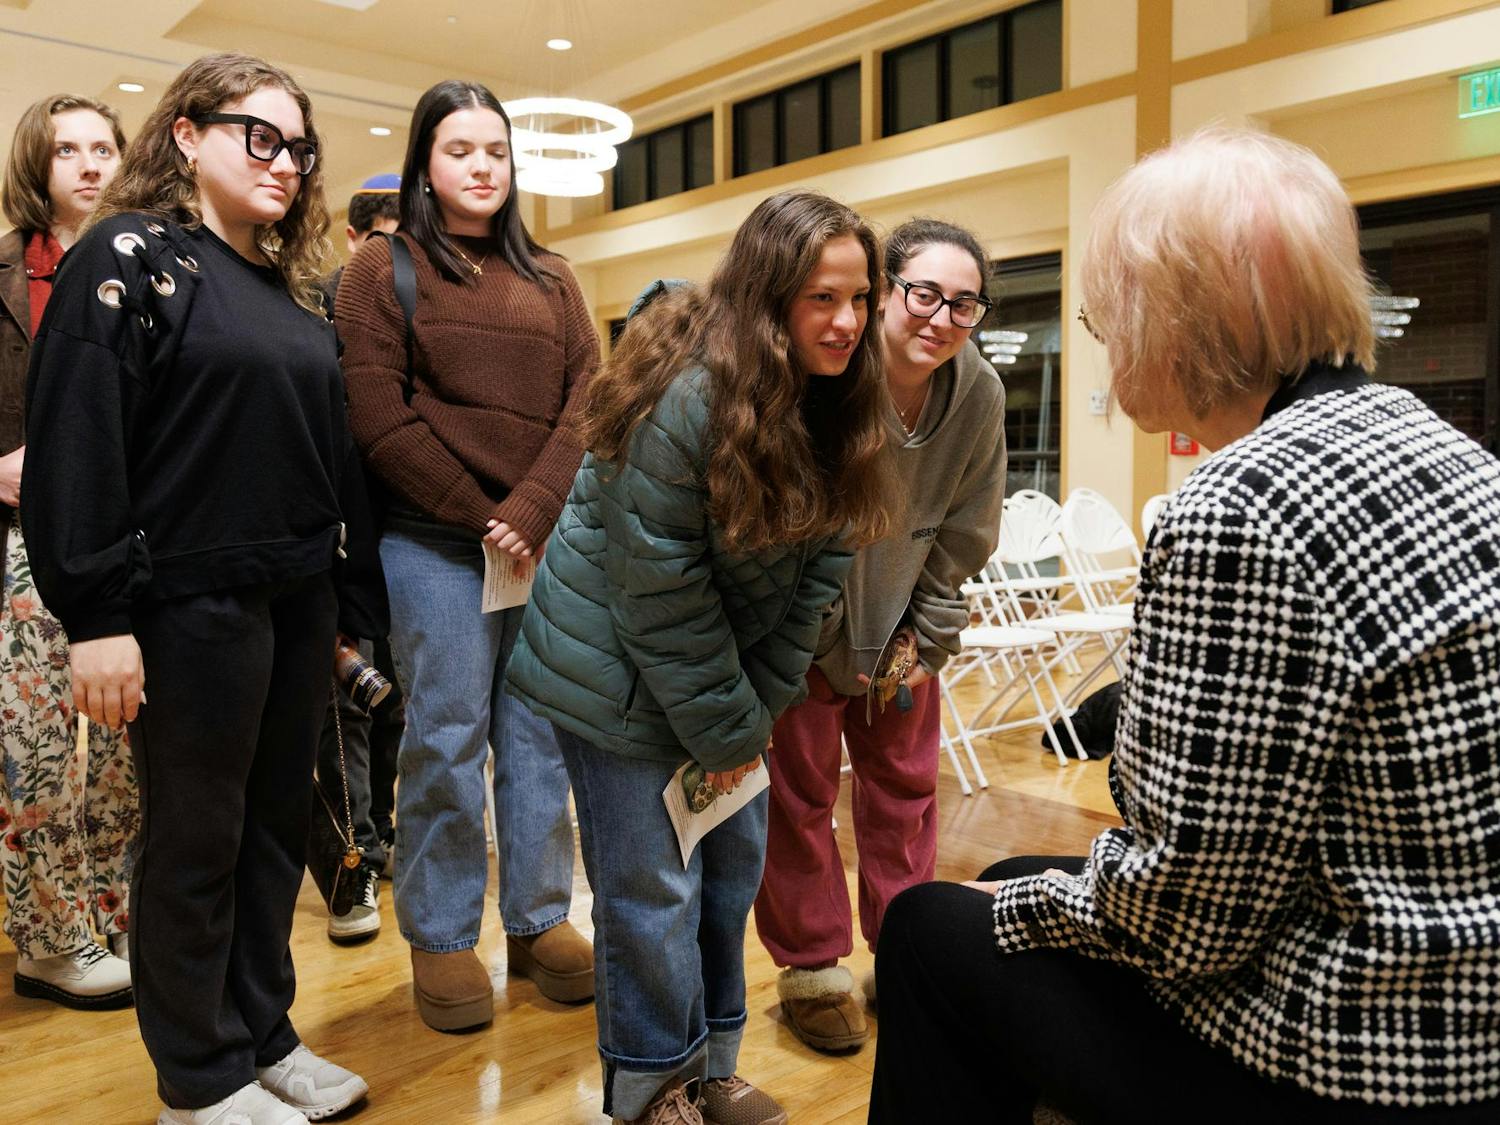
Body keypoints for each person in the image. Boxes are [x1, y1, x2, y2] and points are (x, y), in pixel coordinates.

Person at [869, 127, 1500, 1125]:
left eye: (1106, 317)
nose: (1106, 346)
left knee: (925, 929)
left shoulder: (1239, 505)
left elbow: (1190, 915)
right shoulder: (1449, 450)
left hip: (1363, 1050)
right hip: (1470, 1002)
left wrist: (1026, 911)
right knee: (1015, 876)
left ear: (1172, 318)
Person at [22, 52, 384, 1125]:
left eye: (298, 148)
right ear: (187, 133)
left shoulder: (284, 288)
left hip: (290, 596)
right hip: (186, 604)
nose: (284, 163)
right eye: (257, 136)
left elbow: (328, 457)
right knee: (196, 838)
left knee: (276, 833)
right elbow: (77, 437)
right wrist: (96, 618)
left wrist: (348, 610)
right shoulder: (126, 258)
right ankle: (199, 1075)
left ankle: (262, 1034)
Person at [507, 190, 897, 1125]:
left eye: (859, 299)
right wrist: (730, 726)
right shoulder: (690, 396)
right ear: (768, 297)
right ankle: (648, 1092)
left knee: (727, 876)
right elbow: (661, 591)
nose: (846, 322)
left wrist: (748, 720)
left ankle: (712, 1065)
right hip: (615, 677)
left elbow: (815, 587)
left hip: (712, 681)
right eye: (820, 299)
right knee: (650, 895)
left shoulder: (841, 404)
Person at [337, 79, 597, 1029]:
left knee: (538, 737)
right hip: (433, 544)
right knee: (446, 738)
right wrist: (485, 512)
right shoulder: (383, 267)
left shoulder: (556, 279)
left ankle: (535, 921)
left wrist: (530, 510)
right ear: (425, 163)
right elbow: (376, 414)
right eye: (459, 150)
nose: (481, 166)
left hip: (537, 547)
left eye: (495, 150)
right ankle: (444, 937)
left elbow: (587, 401)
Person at [754, 218, 1006, 1051]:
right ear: (887, 290)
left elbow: (968, 531)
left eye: (964, 303)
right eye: (924, 293)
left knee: (904, 791)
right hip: (805, 627)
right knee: (799, 797)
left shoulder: (977, 395)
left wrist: (921, 635)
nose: (940, 317)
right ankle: (812, 964)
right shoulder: (831, 375)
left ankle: (904, 950)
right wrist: (802, 644)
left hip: (904, 624)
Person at [0, 92, 137, 1011]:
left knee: (123, 743)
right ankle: (49, 938)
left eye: (103, 147)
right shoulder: (5, 274)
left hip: (132, 535)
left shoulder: (152, 263)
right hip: (20, 539)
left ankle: (112, 911)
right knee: (40, 742)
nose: (89, 164)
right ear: (35, 165)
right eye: (67, 150)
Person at [316, 172, 402, 945]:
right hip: (340, 532)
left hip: (405, 535)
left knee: (395, 702)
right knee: (346, 706)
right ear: (354, 239)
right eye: (386, 233)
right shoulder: (322, 305)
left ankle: (384, 834)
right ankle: (355, 865)